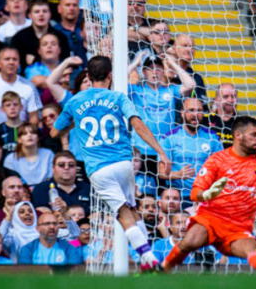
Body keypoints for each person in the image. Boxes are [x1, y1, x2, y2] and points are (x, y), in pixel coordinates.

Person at [51, 55, 172, 271]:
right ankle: (147, 261)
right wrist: (160, 152)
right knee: (133, 210)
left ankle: (149, 258)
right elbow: (137, 124)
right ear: (110, 76)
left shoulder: (75, 101)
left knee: (123, 214)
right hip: (124, 163)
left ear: (88, 76)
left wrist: (75, 123)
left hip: (98, 169)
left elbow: (54, 131)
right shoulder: (118, 97)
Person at [161, 116, 256, 273]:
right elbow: (195, 193)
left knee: (251, 248)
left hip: (238, 226)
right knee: (191, 240)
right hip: (210, 219)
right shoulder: (217, 159)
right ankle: (163, 269)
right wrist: (208, 194)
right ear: (238, 136)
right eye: (254, 135)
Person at [160, 97, 222, 202]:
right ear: (182, 113)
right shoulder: (169, 138)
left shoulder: (213, 138)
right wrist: (178, 174)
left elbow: (221, 169)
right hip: (178, 197)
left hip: (204, 195)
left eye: (199, 110)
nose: (195, 114)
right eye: (191, 110)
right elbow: (160, 172)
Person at [0, 47, 43, 129]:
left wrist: (26, 135)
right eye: (7, 59)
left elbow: (34, 117)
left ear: (19, 64)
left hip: (21, 137)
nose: (11, 62)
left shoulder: (29, 87)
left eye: (15, 59)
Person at [10, 0, 70, 70]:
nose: (41, 14)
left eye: (44, 11)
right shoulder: (19, 38)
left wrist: (35, 60)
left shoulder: (60, 37)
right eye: (37, 12)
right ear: (30, 15)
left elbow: (65, 61)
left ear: (50, 14)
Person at [18, 212, 83, 265]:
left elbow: (74, 273)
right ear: (37, 228)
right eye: (47, 224)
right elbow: (26, 274)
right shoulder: (27, 249)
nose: (52, 227)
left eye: (55, 224)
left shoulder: (69, 248)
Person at [0, 91, 23, 158]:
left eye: (15, 104)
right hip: (4, 167)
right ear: (2, 109)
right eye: (8, 105)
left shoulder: (29, 129)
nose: (12, 108)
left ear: (21, 107)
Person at [53, 0, 86, 65]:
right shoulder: (53, 32)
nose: (71, 8)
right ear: (59, 9)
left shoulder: (87, 29)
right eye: (67, 5)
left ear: (79, 9)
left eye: (74, 5)